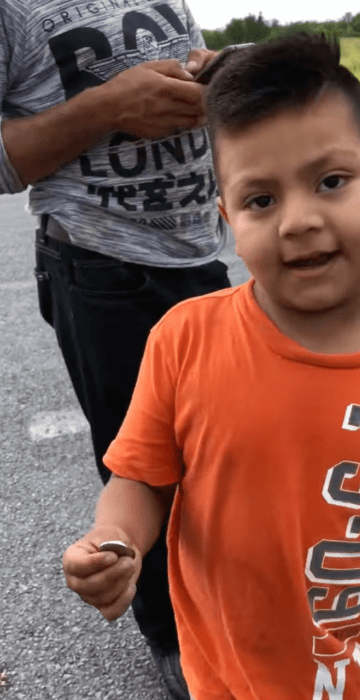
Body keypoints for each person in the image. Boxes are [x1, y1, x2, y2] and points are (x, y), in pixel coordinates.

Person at [62, 33, 360, 700]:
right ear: (226, 218)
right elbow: (140, 478)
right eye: (260, 200)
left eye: (330, 181)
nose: (298, 221)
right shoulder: (184, 337)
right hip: (222, 680)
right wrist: (115, 538)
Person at [0, 1, 232, 697]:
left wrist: (214, 78)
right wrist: (106, 108)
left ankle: (234, 594)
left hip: (199, 250)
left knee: (226, 445)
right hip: (101, 266)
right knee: (143, 460)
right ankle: (170, 632)